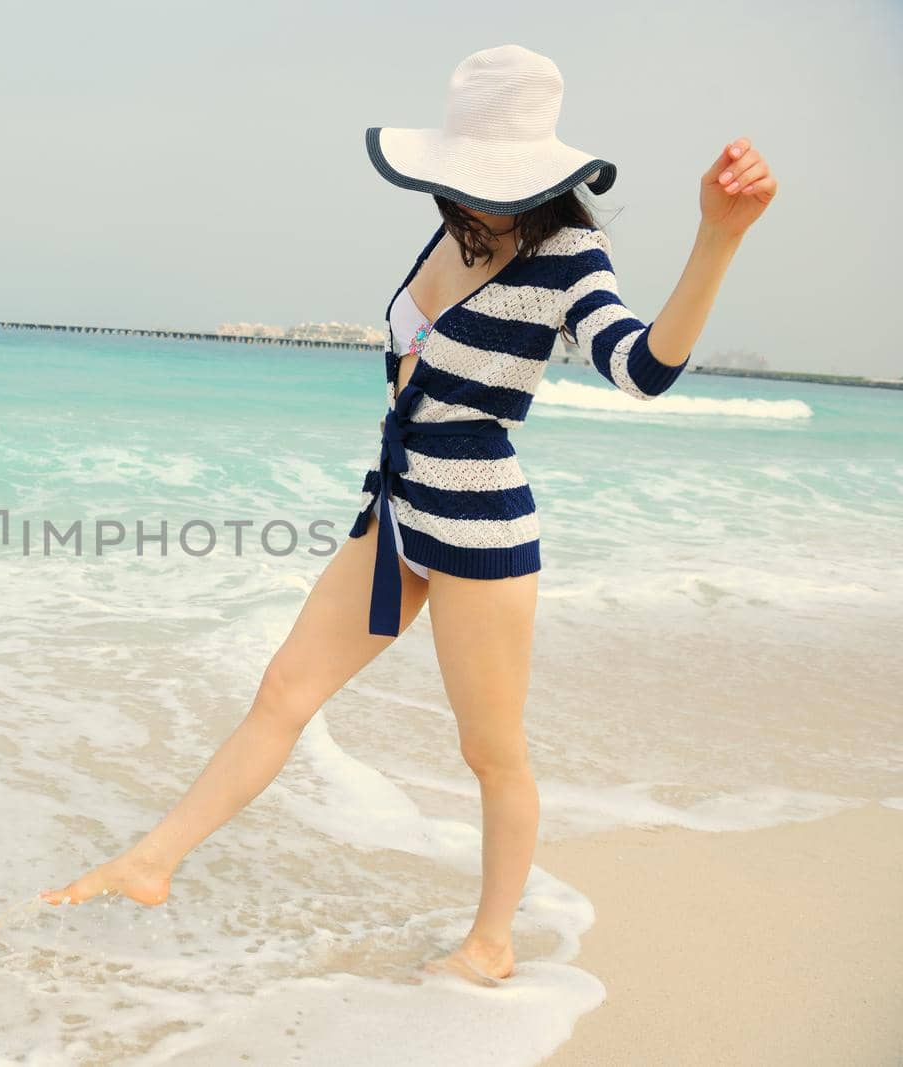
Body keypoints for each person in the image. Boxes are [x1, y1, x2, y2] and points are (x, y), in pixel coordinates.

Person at [40, 43, 776, 986]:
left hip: (480, 530)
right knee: (282, 690)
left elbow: (643, 368)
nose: (473, 196)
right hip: (395, 507)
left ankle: (491, 943)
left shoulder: (568, 257)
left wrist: (719, 237)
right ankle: (150, 864)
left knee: (490, 751)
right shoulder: (453, 236)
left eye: (491, 180)